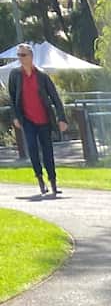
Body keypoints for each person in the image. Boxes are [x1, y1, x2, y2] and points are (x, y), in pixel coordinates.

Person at [7, 44, 68, 198]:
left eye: (23, 55)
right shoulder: (15, 75)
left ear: (31, 56)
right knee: (32, 149)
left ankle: (53, 182)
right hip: (27, 120)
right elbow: (12, 99)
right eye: (19, 55)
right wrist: (15, 117)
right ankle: (40, 180)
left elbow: (55, 98)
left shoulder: (42, 76)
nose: (20, 58)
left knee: (48, 152)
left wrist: (61, 118)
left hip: (44, 119)